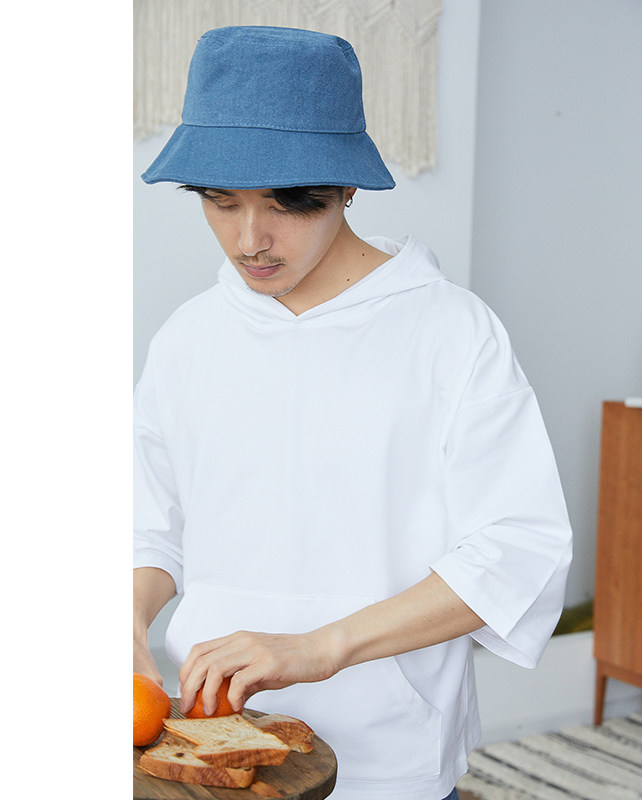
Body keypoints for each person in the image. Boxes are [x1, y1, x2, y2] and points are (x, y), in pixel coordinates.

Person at [134, 25, 572, 800]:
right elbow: (150, 523)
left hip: (392, 756)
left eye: (287, 203)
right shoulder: (189, 338)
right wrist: (128, 623)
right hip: (207, 745)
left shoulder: (449, 331)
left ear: (346, 186)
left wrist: (321, 647)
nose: (250, 238)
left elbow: (516, 549)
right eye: (221, 202)